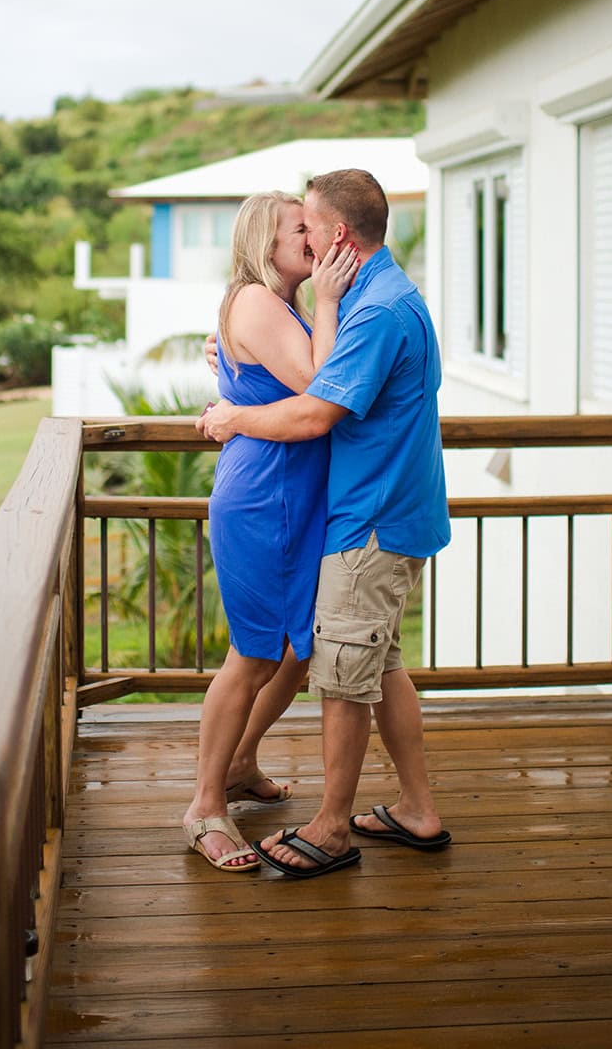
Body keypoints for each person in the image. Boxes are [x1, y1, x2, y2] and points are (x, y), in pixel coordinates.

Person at [198, 168, 452, 879]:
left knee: (341, 677)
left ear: (337, 233)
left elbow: (315, 409)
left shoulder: (370, 308)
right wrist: (234, 360)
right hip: (364, 509)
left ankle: (331, 828)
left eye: (307, 224)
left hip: (368, 515)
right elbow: (292, 364)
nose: (304, 236)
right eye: (293, 228)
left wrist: (232, 416)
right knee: (377, 663)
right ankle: (416, 809)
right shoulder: (374, 296)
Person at [183, 190, 359, 871]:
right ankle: (204, 806)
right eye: (299, 230)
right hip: (266, 499)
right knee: (255, 654)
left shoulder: (265, 304)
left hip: (291, 494)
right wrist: (326, 300)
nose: (312, 240)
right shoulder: (259, 300)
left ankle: (241, 761)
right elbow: (322, 381)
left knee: (297, 650)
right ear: (266, 241)